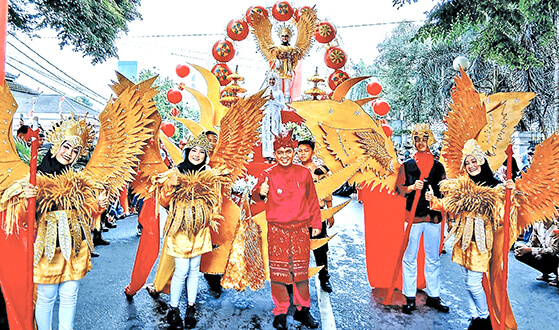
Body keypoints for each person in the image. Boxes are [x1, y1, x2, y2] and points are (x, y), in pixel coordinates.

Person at [19, 118, 109, 330]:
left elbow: (87, 210)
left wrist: (99, 204)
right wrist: (25, 197)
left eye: (75, 151)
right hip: (45, 247)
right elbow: (22, 217)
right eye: (66, 146)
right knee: (46, 296)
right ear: (56, 145)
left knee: (70, 295)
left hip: (75, 246)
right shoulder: (34, 175)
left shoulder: (79, 179)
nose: (69, 153)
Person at [427, 139, 517, 329]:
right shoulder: (462, 185)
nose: (471, 166)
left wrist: (511, 194)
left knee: (473, 283)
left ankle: (484, 318)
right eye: (467, 163)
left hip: (482, 242)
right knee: (467, 281)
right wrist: (433, 200)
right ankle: (474, 315)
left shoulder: (496, 187)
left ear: (482, 161)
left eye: (474, 161)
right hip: (463, 241)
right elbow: (449, 205)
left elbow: (503, 216)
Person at [252, 130, 321, 330]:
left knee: (300, 272)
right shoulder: (268, 174)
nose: (284, 155)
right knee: (279, 273)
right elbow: (254, 198)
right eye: (280, 152)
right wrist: (259, 192)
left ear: (294, 153)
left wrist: (316, 224)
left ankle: (303, 310)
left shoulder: (304, 173)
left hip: (300, 229)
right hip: (277, 230)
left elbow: (312, 201)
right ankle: (280, 310)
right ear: (275, 154)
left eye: (288, 152)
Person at [161, 133, 220, 329]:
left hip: (200, 229)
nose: (197, 155)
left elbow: (216, 201)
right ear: (187, 152)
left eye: (201, 152)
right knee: (182, 270)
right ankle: (174, 309)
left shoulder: (209, 174)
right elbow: (163, 201)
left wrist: (207, 215)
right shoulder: (176, 172)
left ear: (206, 155)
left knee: (195, 269)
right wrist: (170, 186)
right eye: (193, 151)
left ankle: (190, 307)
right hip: (180, 228)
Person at [395, 124, 449, 314]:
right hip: (412, 217)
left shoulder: (438, 166)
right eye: (417, 139)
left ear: (430, 141)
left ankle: (434, 295)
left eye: (424, 139)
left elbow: (445, 192)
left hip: (433, 217)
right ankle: (409, 296)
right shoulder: (407, 165)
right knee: (409, 257)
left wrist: (435, 198)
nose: (420, 143)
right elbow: (398, 190)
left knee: (433, 258)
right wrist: (411, 188)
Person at [297, 140, 334, 292]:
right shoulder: (293, 170)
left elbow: (327, 191)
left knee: (320, 249)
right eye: (300, 151)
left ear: (312, 152)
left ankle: (324, 279)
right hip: (298, 216)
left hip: (316, 215)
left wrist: (330, 213)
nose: (302, 153)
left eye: (306, 150)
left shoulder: (320, 170)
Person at [514, 219, 559, 284]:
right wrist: (524, 248)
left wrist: (530, 249)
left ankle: (556, 274)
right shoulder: (537, 225)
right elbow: (533, 242)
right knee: (519, 253)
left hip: (555, 256)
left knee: (548, 255)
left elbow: (553, 250)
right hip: (545, 252)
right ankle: (545, 272)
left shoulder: (557, 227)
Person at [261, 73, 285, 162]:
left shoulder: (279, 93)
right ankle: (267, 155)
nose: (271, 81)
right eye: (270, 80)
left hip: (275, 117)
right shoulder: (265, 92)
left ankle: (274, 155)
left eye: (273, 80)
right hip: (267, 116)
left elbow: (283, 105)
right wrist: (267, 100)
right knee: (266, 135)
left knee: (275, 134)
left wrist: (273, 99)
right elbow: (261, 105)